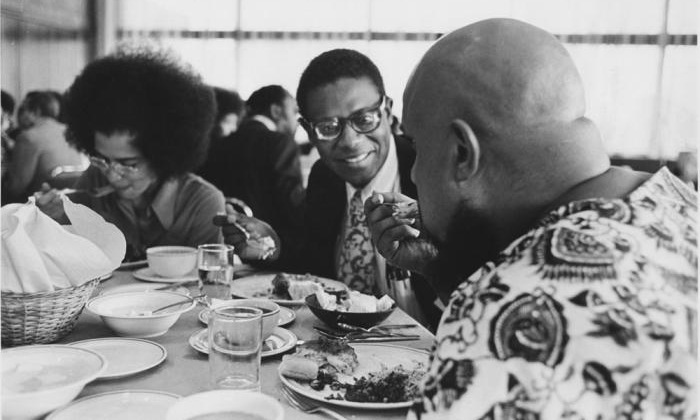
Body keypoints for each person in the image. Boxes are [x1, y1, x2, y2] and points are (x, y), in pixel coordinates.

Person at [364, 18, 697, 419]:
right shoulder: (678, 202)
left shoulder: (508, 319)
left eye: (415, 147)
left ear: (462, 154)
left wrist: (478, 303)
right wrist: (441, 268)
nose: (414, 174)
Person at [217, 50, 440, 328]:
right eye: (328, 126)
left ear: (387, 109)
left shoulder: (430, 172)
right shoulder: (325, 176)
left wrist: (432, 264)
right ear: (308, 131)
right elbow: (314, 258)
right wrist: (272, 246)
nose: (349, 141)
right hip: (339, 344)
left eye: (364, 119)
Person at [36, 49, 225, 261]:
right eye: (104, 159)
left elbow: (209, 280)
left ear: (162, 156)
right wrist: (56, 220)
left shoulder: (201, 202)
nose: (112, 175)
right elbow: (75, 259)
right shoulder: (94, 179)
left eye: (129, 164)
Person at [200, 84, 305, 260]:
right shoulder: (281, 143)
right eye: (294, 112)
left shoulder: (219, 144)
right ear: (276, 111)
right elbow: (294, 209)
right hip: (271, 254)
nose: (297, 121)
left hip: (222, 250)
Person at [4, 90, 85, 200]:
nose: (19, 117)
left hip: (43, 204)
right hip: (74, 201)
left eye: (24, 110)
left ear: (35, 112)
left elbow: (16, 187)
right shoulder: (71, 131)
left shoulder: (29, 137)